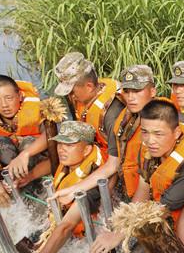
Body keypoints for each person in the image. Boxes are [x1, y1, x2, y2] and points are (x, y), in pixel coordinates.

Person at [89, 98, 184, 253]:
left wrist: (117, 235)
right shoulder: (153, 147)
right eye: (145, 132)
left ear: (177, 133)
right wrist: (118, 226)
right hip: (160, 210)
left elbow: (162, 209)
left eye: (158, 134)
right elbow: (143, 192)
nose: (150, 140)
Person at [10, 121, 103, 253]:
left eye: (70, 144)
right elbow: (54, 167)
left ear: (87, 149)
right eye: (60, 143)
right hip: (59, 230)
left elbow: (67, 226)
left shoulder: (93, 182)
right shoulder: (72, 161)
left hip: (82, 246)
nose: (61, 149)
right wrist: (29, 177)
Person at [51, 65, 156, 204]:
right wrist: (74, 189)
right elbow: (113, 164)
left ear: (153, 91)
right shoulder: (124, 121)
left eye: (137, 91)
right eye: (127, 91)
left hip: (154, 196)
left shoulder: (162, 120)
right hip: (131, 186)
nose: (130, 97)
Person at [0, 75, 50, 202]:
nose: (4, 105)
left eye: (9, 98)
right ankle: (14, 189)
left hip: (37, 166)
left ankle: (32, 189)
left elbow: (50, 135)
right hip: (6, 169)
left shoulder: (39, 109)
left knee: (28, 143)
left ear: (20, 96)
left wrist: (25, 154)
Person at [53, 52, 124, 157]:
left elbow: (118, 158)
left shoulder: (111, 114)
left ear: (89, 86)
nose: (70, 97)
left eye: (72, 92)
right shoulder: (82, 95)